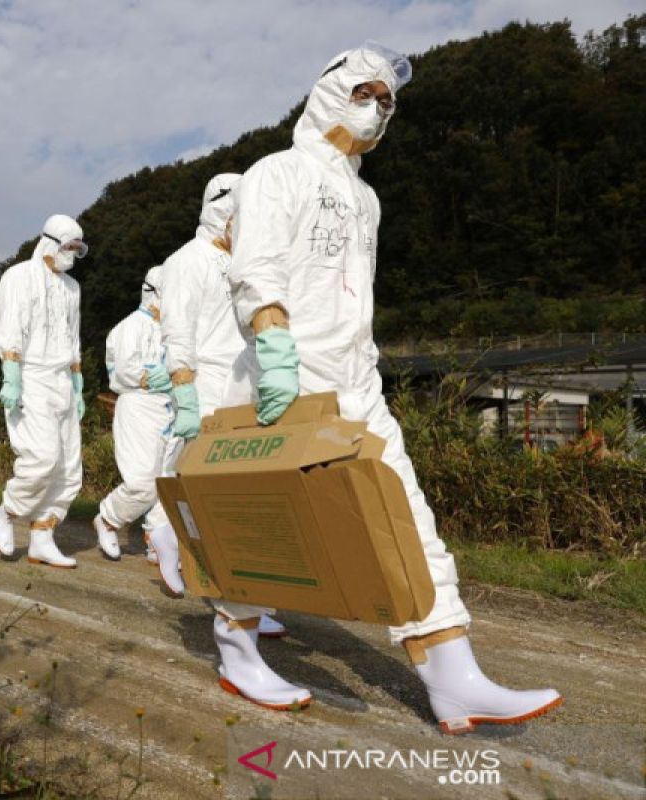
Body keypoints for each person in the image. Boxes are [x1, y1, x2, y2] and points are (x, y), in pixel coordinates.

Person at [215, 43, 561, 732]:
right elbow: (254, 266)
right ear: (329, 93)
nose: (377, 110)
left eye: (387, 102)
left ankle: (452, 673)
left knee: (404, 515)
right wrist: (275, 343)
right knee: (266, 527)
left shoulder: (366, 198)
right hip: (285, 374)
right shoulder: (273, 173)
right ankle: (236, 646)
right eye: (365, 94)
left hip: (355, 380)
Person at [146, 174, 287, 635]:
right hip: (205, 385)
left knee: (240, 500)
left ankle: (243, 598)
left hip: (244, 386)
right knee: (205, 498)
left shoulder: (245, 262)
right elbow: (177, 332)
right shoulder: (186, 261)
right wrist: (184, 391)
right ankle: (179, 550)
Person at [0, 214, 89, 567]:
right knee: (41, 458)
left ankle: (42, 538)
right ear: (49, 241)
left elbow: (73, 336)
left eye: (77, 249)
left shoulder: (72, 288)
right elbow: (10, 327)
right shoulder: (19, 277)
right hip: (30, 377)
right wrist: (11, 377)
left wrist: (78, 385)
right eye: (67, 247)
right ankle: (7, 512)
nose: (72, 254)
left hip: (62, 378)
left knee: (67, 467)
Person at [93, 267, 178, 563]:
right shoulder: (130, 327)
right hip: (139, 407)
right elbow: (122, 373)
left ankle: (157, 538)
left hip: (170, 407)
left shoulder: (172, 328)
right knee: (142, 482)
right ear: (153, 291)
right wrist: (153, 377)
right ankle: (108, 518)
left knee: (168, 478)